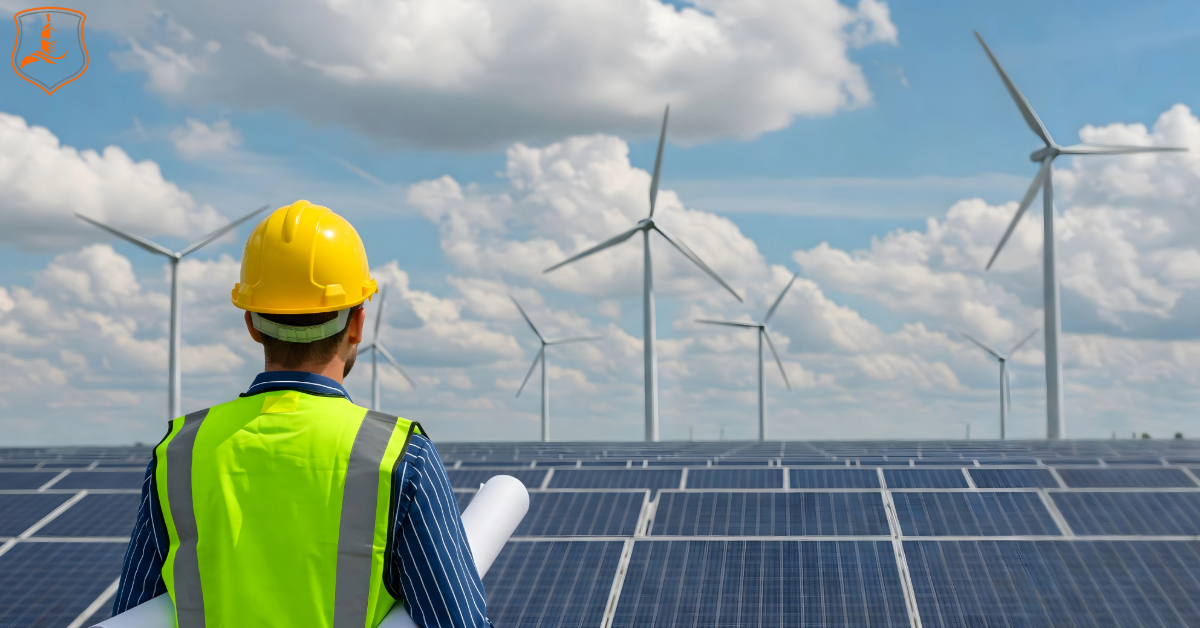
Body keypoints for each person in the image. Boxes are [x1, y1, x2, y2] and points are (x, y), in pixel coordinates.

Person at [113, 200, 492, 628]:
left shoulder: (179, 451)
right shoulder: (400, 456)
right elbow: (457, 621)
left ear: (251, 323)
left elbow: (134, 616)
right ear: (358, 324)